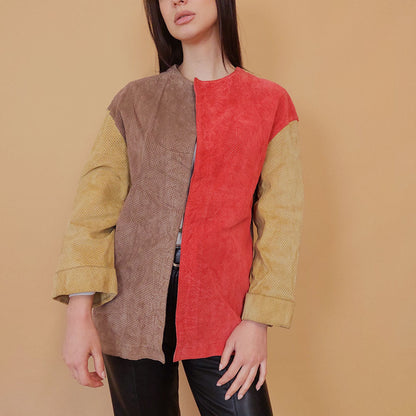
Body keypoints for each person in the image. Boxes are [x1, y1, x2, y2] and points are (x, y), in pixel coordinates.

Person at [51, 0, 304, 415]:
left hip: (221, 307)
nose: (176, 1)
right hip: (131, 307)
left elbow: (282, 223)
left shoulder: (269, 102)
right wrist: (79, 317)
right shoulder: (134, 101)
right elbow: (93, 210)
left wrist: (257, 320)